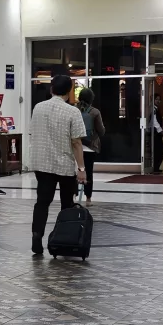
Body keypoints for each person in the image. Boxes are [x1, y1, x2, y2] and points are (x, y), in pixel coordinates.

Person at [29, 75, 87, 257]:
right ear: (69, 91)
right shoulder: (72, 112)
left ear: (51, 89)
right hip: (63, 165)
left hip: (42, 163)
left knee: (42, 202)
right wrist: (81, 169)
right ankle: (64, 237)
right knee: (67, 203)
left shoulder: (38, 107)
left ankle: (36, 235)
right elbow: (77, 142)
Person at [76, 88, 105, 207]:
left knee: (74, 172)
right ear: (91, 99)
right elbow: (101, 131)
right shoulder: (95, 112)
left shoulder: (73, 110)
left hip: (75, 145)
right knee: (88, 172)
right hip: (89, 147)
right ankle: (88, 199)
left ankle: (73, 196)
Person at [151, 93, 163, 174]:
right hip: (155, 133)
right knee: (160, 150)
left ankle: (156, 167)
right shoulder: (153, 109)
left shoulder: (156, 109)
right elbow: (154, 121)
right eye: (156, 99)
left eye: (159, 99)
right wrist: (160, 130)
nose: (158, 101)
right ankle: (155, 167)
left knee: (159, 150)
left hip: (157, 133)